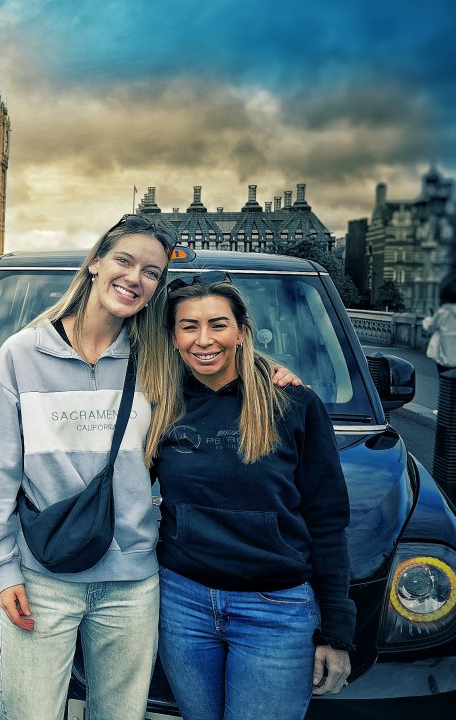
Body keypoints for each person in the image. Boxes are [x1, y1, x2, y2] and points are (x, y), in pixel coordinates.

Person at [0, 214, 179, 720]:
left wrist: (269, 373)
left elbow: (222, 365)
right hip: (43, 575)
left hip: (131, 580)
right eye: (124, 261)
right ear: (94, 264)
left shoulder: (157, 359)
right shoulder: (21, 353)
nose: (134, 278)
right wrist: (0, 569)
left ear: (156, 288)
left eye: (151, 272)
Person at [148, 276, 353, 720]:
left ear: (241, 331)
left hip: (275, 611)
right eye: (188, 326)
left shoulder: (293, 404)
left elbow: (328, 517)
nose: (204, 340)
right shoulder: (160, 404)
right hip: (183, 603)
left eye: (218, 325)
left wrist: (336, 630)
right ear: (174, 337)